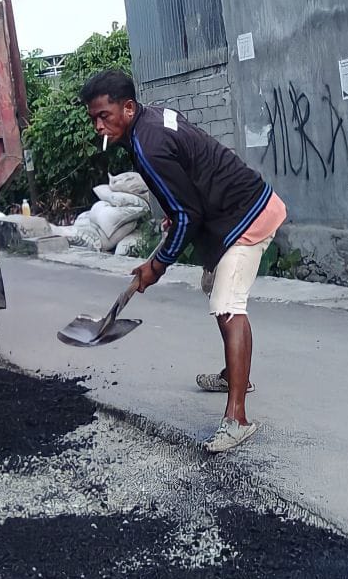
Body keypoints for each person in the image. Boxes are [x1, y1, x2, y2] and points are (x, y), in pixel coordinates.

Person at [79, 69, 286, 453]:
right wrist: (177, 211)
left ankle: (237, 418)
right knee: (215, 288)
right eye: (93, 118)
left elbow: (189, 216)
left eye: (103, 116)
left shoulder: (148, 144)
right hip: (228, 213)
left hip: (248, 214)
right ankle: (234, 374)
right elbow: (189, 180)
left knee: (227, 305)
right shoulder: (152, 118)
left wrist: (155, 267)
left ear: (127, 107)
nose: (98, 126)